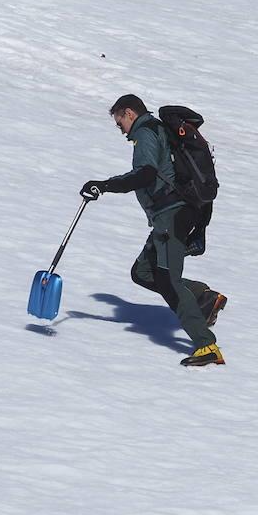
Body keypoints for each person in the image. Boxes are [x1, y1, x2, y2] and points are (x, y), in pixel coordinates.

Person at [80, 94, 227, 367]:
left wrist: (105, 185)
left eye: (119, 122)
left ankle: (207, 345)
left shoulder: (146, 133)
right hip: (168, 217)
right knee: (143, 272)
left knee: (170, 281)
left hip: (172, 215)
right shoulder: (156, 131)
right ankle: (203, 297)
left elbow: (145, 174)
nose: (120, 129)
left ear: (129, 113)